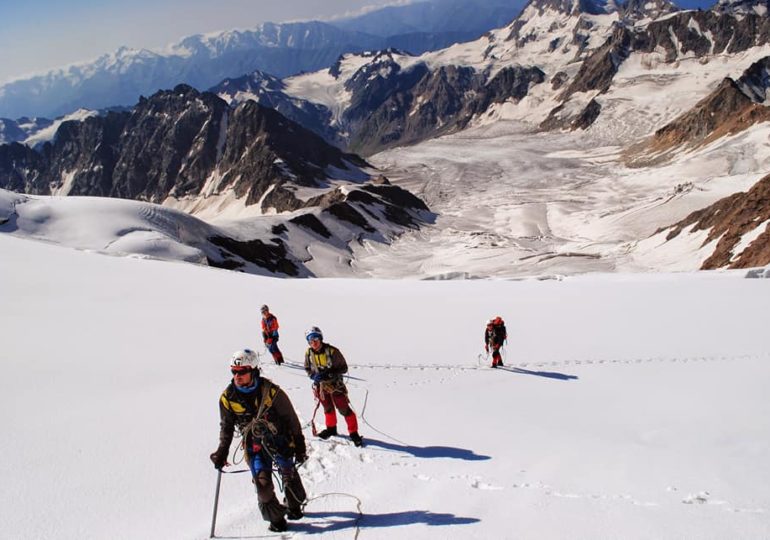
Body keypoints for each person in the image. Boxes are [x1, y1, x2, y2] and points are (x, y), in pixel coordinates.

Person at [210, 348, 307, 533]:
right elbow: (227, 427)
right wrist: (222, 451)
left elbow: (290, 418)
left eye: (242, 371)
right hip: (254, 447)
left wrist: (300, 445)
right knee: (263, 488)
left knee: (289, 476)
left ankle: (294, 506)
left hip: (280, 441)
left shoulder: (271, 392)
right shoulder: (227, 398)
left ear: (253, 370)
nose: (237, 376)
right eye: (234, 371)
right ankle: (276, 519)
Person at [303, 326, 363, 447]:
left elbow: (344, 368)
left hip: (336, 386)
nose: (313, 343)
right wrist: (313, 376)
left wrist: (331, 373)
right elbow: (307, 368)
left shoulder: (332, 351)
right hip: (321, 387)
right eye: (310, 341)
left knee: (344, 409)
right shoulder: (308, 353)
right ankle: (331, 429)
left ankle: (354, 433)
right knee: (328, 408)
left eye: (315, 339)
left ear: (320, 338)